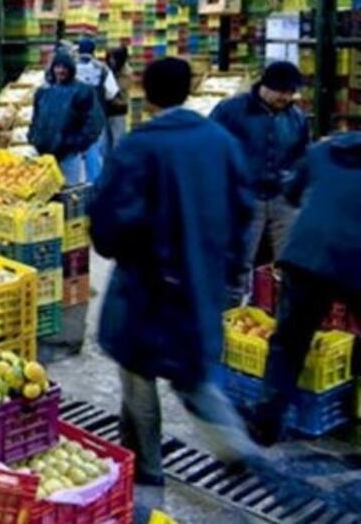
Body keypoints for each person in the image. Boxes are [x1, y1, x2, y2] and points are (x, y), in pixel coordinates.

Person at [90, 57, 259, 501]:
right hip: (200, 284)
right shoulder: (221, 142)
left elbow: (108, 225)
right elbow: (245, 212)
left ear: (147, 91)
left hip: (143, 289)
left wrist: (121, 247)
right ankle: (231, 440)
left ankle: (146, 481)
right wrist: (223, 268)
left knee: (138, 384)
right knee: (193, 370)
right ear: (189, 90)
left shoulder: (138, 145)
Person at [251, 130, 361, 445]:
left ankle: (266, 424)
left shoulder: (323, 151)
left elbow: (292, 193)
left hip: (306, 257)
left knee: (287, 343)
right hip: (355, 261)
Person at [210, 60, 310, 303]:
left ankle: (271, 313)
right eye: (281, 91)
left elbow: (302, 156)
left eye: (290, 92)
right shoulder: (230, 110)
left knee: (288, 263)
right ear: (265, 86)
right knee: (238, 263)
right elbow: (210, 148)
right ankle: (228, 318)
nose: (286, 97)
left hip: (282, 199)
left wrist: (295, 187)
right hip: (244, 198)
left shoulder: (296, 118)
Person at [27, 52, 103, 185]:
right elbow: (36, 118)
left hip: (68, 156)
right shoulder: (43, 92)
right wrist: (33, 136)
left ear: (71, 69)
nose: (60, 71)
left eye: (64, 67)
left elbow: (94, 123)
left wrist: (76, 143)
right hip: (44, 154)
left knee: (68, 194)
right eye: (57, 67)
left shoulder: (83, 91)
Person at [72, 39, 119, 181]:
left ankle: (76, 185)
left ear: (79, 50)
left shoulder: (71, 67)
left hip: (74, 117)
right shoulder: (102, 68)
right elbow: (111, 92)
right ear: (93, 51)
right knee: (95, 152)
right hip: (96, 115)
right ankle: (94, 186)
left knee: (75, 155)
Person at [103, 46, 131, 151]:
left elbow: (117, 91)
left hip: (118, 109)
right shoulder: (108, 68)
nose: (111, 60)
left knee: (118, 141)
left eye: (113, 58)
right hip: (107, 109)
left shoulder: (126, 73)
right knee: (105, 143)